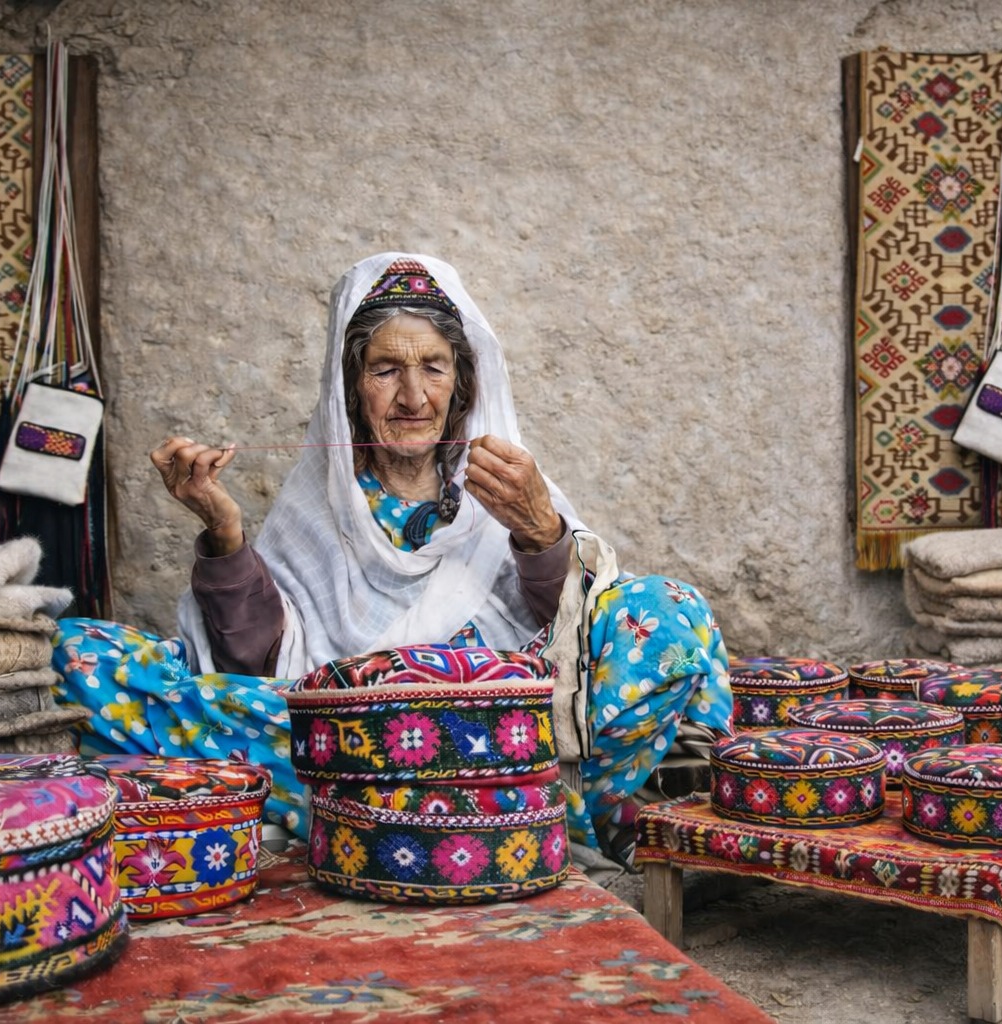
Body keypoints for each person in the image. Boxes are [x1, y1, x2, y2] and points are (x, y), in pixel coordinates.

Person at [53, 252, 733, 865]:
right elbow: (257, 665)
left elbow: (581, 632)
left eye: (433, 367)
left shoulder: (506, 483)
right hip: (353, 741)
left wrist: (541, 532)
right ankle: (501, 813)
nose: (413, 397)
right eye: (386, 370)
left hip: (511, 735)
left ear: (461, 379)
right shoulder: (319, 507)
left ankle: (502, 801)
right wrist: (225, 534)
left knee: (669, 612)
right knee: (80, 652)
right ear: (351, 386)